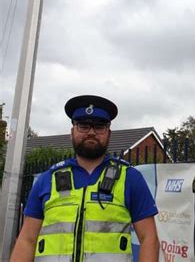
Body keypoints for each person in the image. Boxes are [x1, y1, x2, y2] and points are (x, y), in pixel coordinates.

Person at [11, 95, 159, 262]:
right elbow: (26, 241)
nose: (91, 132)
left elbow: (149, 239)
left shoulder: (130, 178)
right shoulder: (48, 179)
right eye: (83, 125)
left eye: (99, 126)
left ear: (108, 133)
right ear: (72, 131)